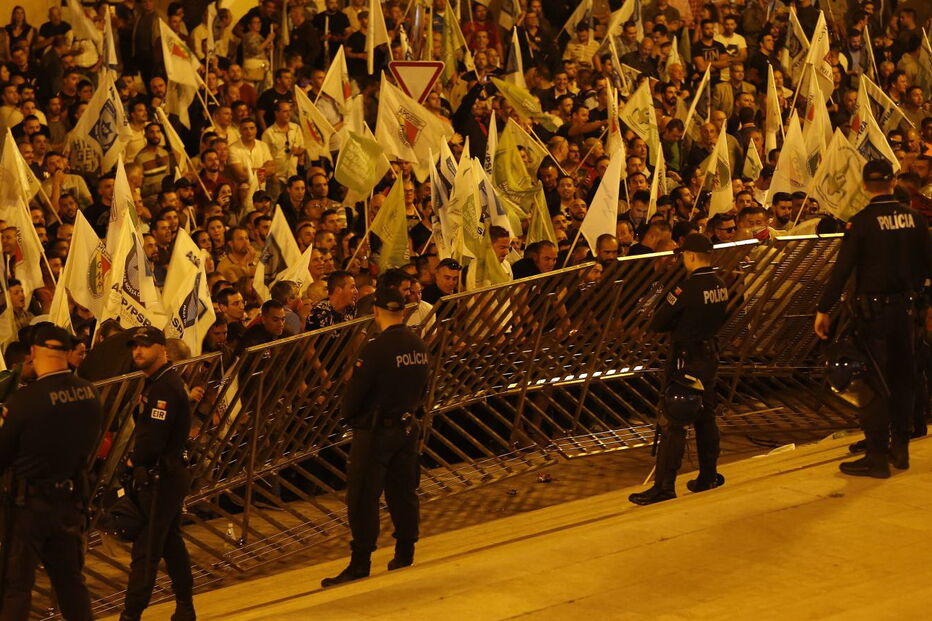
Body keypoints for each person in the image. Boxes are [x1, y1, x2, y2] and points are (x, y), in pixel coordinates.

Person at [814, 160, 932, 478]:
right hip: (908, 311)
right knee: (904, 379)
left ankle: (877, 457)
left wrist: (823, 309)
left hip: (874, 315)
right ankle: (901, 449)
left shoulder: (862, 222)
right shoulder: (914, 219)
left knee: (873, 384)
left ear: (865, 185)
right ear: (893, 183)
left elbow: (842, 270)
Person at [322, 288, 430, 587]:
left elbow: (355, 394)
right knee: (403, 492)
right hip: (407, 427)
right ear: (403, 312)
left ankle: (360, 563)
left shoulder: (376, 349)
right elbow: (423, 388)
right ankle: (405, 552)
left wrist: (350, 416)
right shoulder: (418, 344)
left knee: (363, 498)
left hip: (376, 430)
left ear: (376, 312)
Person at [0, 325, 102, 621]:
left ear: (33, 352)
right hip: (70, 500)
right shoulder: (89, 393)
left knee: (17, 587)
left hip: (29, 506)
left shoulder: (25, 401)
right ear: (68, 353)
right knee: (70, 583)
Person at [629, 234, 730, 505]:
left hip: (686, 360)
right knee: (705, 417)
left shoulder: (688, 288)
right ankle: (708, 475)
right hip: (709, 357)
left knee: (674, 420)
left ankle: (664, 486)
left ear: (691, 255)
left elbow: (658, 322)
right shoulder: (720, 285)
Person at [119, 327, 195, 621]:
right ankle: (185, 607)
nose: (137, 351)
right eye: (135, 346)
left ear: (162, 349)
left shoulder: (165, 387)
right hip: (165, 474)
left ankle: (131, 614)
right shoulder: (158, 382)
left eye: (145, 345)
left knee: (146, 550)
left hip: (162, 476)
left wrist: (132, 462)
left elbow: (154, 440)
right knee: (170, 543)